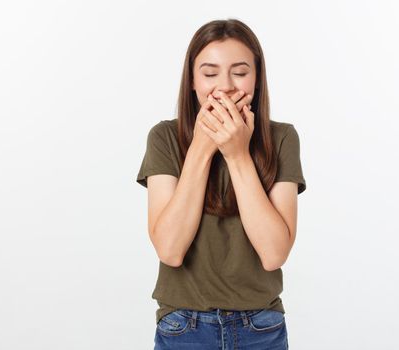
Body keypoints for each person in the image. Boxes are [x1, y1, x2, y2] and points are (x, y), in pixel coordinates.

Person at [136, 18, 306, 350]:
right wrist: (202, 146)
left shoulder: (282, 138)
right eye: (210, 74)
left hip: (261, 327)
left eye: (240, 73)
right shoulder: (165, 137)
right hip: (182, 325)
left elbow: (274, 254)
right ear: (193, 82)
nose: (224, 86)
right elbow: (170, 249)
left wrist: (238, 154)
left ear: (257, 80)